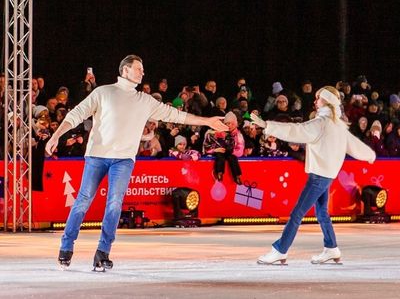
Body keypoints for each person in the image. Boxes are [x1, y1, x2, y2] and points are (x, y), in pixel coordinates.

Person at [45, 54, 228, 271]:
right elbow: (76, 114)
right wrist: (56, 136)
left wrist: (208, 121)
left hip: (123, 160)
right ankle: (66, 247)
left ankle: (103, 252)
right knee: (83, 200)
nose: (143, 72)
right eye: (138, 68)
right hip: (97, 156)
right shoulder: (104, 92)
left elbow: (176, 115)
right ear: (125, 70)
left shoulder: (144, 101)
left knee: (114, 204)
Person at [250, 86, 376, 265]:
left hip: (319, 177)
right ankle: (331, 248)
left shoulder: (321, 123)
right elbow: (355, 145)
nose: (315, 101)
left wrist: (267, 125)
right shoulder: (337, 125)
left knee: (297, 214)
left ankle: (280, 250)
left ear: (327, 101)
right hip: (326, 175)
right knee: (321, 212)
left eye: (318, 98)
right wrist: (370, 155)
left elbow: (296, 130)